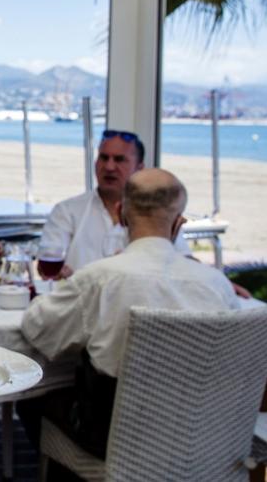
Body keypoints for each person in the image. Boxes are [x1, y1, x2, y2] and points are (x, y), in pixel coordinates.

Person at [19, 168, 240, 470]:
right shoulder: (217, 286)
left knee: (34, 399)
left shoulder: (100, 279)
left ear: (122, 213)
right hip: (201, 443)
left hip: (111, 441)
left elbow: (37, 328)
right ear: (179, 224)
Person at [40, 130, 190, 273]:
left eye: (119, 160)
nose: (109, 167)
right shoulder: (67, 211)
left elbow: (184, 261)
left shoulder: (156, 215)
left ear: (139, 168)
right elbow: (48, 261)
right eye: (104, 158)